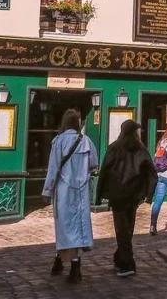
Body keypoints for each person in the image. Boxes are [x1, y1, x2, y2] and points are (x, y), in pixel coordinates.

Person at [42, 109, 99, 283]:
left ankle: (74, 267)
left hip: (63, 190)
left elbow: (53, 168)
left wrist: (47, 190)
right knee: (76, 229)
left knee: (65, 228)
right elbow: (94, 163)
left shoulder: (58, 142)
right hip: (80, 191)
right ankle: (60, 261)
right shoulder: (86, 141)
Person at [97, 119, 158, 277]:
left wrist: (99, 195)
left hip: (118, 194)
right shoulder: (140, 149)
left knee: (122, 229)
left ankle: (128, 263)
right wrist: (148, 195)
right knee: (127, 228)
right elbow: (152, 174)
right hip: (133, 195)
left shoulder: (114, 148)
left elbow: (104, 172)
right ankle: (120, 258)